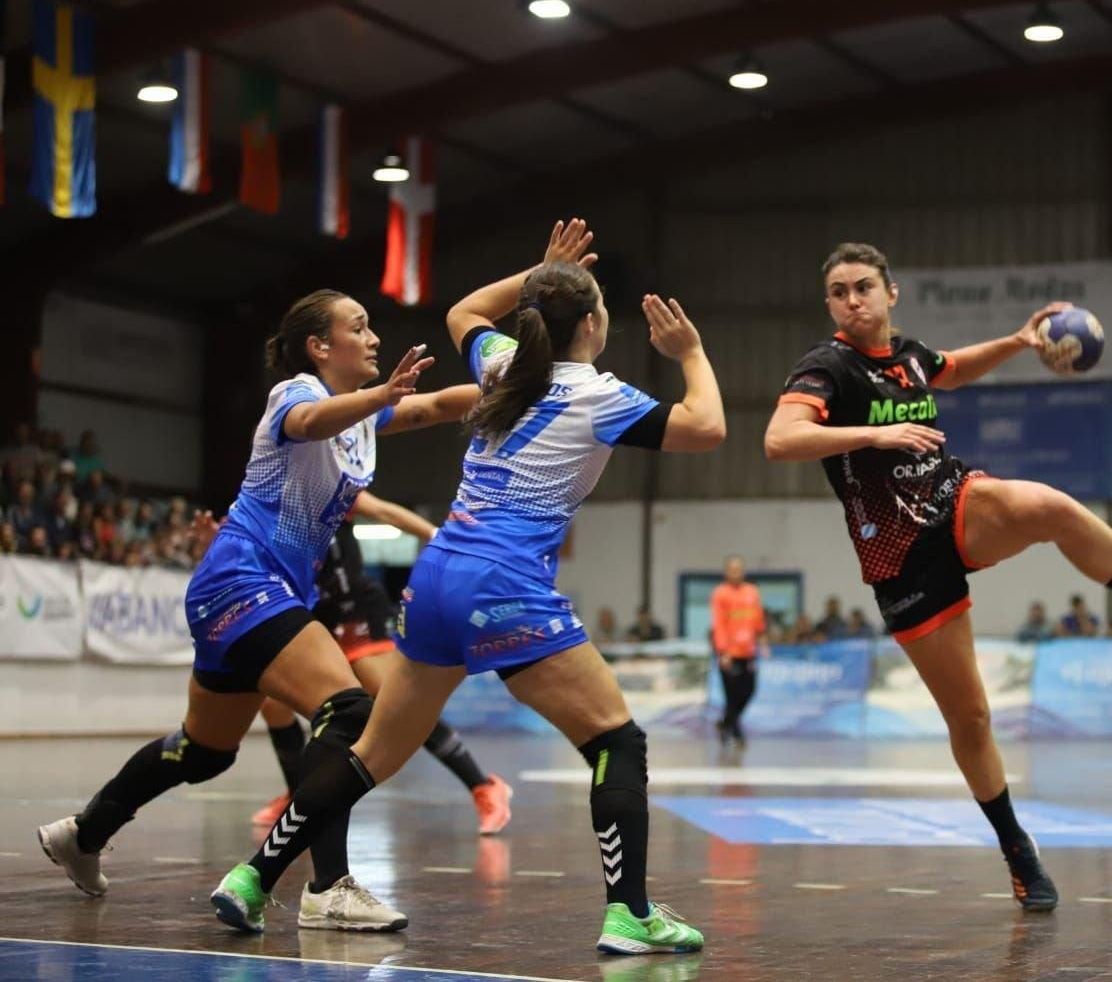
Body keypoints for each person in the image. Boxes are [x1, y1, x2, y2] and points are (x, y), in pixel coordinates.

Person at [210, 218, 721, 954]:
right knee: (617, 741)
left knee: (372, 754)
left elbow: (463, 313)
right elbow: (706, 427)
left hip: (437, 578)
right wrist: (691, 352)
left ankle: (254, 878)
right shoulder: (598, 395)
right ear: (593, 324)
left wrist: (537, 273)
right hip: (506, 583)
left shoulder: (503, 364)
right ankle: (631, 913)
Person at [765, 242, 1112, 914]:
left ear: (890, 293)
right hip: (899, 558)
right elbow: (780, 439)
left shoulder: (907, 357)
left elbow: (953, 369)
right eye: (840, 290)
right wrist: (876, 436)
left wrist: (1022, 341)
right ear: (830, 304)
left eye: (864, 286)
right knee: (972, 718)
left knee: (1048, 506)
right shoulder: (827, 368)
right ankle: (1017, 849)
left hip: (951, 502)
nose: (853, 299)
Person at [38, 287, 477, 934]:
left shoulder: (361, 419)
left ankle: (84, 832)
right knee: (350, 709)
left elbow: (437, 406)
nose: (376, 338)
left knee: (204, 751)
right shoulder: (295, 395)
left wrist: (524, 392)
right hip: (244, 580)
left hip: (249, 592)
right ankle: (329, 887)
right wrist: (381, 397)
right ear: (319, 347)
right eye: (360, 327)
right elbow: (309, 426)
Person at [198, 493, 512, 838]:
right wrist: (217, 544)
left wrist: (439, 537)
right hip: (313, 616)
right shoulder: (266, 506)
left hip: (356, 611)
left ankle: (483, 787)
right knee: (274, 705)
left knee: (396, 700)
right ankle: (296, 799)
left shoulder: (327, 489)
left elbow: (385, 509)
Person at [710, 556, 766, 747]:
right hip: (729, 654)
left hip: (748, 653)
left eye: (739, 569)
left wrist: (763, 643)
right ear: (726, 572)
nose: (736, 572)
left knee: (749, 690)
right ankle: (737, 734)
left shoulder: (752, 592)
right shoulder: (720, 594)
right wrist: (723, 652)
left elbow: (758, 622)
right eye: (732, 569)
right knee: (731, 695)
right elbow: (718, 624)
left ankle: (725, 723)